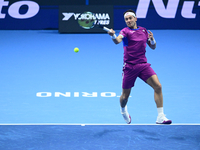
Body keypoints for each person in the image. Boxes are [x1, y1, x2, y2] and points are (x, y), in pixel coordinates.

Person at [108, 9, 172, 124]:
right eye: (126, 19)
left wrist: (152, 39)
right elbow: (117, 41)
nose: (128, 21)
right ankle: (123, 110)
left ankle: (160, 116)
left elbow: (153, 47)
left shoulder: (143, 31)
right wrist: (113, 36)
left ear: (135, 18)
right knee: (125, 97)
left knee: (158, 86)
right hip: (129, 67)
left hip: (143, 65)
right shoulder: (125, 31)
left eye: (130, 18)